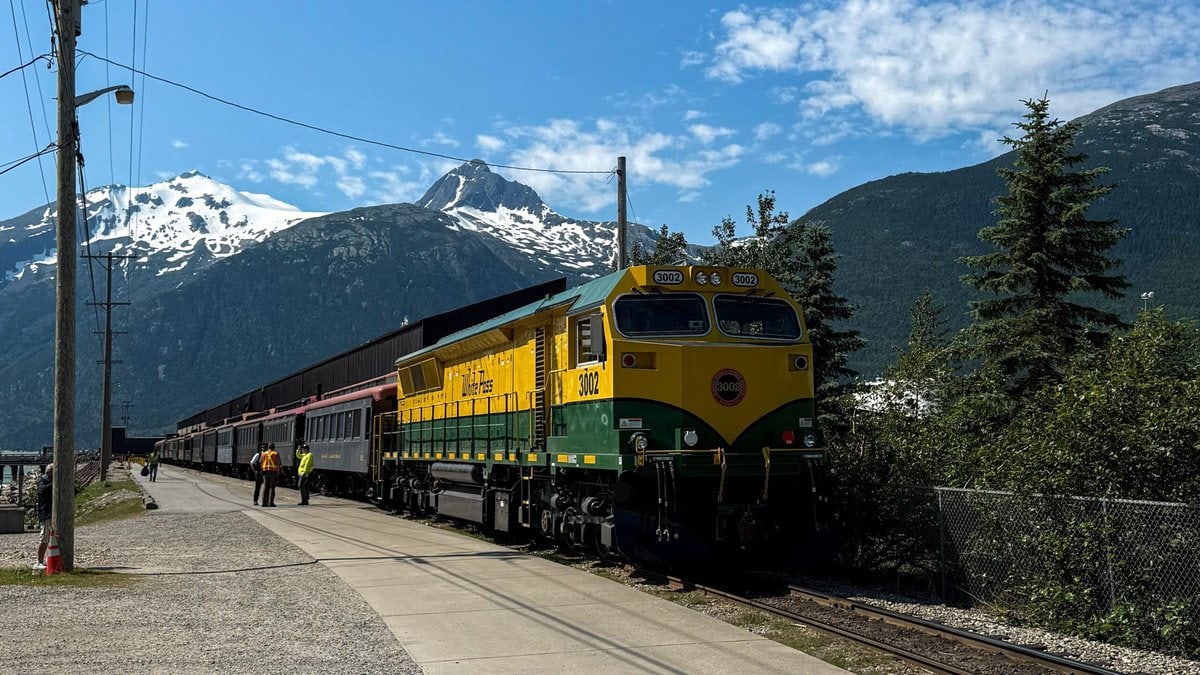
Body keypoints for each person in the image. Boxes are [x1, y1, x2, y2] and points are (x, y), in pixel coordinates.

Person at [34, 464, 52, 570]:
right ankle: (39, 561)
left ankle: (50, 559)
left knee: (50, 537)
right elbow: (43, 491)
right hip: (45, 513)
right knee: (44, 537)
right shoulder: (42, 481)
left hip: (51, 512)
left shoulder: (46, 481)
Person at [260, 443, 280, 507]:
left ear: (268, 447)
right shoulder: (275, 454)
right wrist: (278, 473)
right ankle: (271, 502)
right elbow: (278, 464)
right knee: (272, 487)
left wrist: (262, 471)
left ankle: (264, 502)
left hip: (265, 472)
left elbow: (261, 462)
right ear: (274, 447)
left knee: (266, 487)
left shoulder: (263, 454)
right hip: (273, 472)